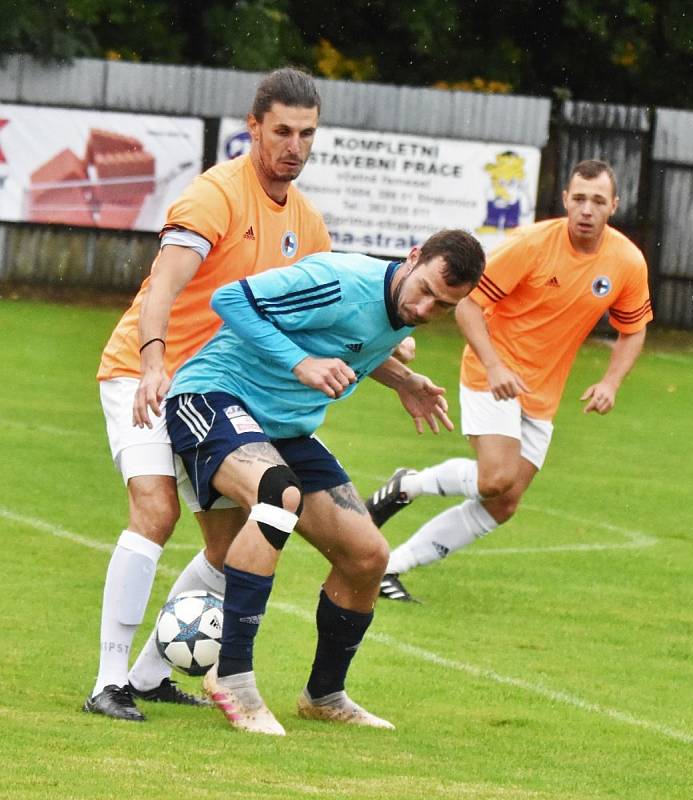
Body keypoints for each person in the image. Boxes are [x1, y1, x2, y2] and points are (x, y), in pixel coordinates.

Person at [84, 67, 333, 722]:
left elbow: (316, 317)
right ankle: (106, 681)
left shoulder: (307, 224)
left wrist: (398, 365)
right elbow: (161, 287)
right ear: (253, 128)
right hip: (141, 374)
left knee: (227, 548)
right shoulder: (213, 196)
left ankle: (146, 676)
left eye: (306, 133)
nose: (294, 146)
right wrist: (152, 363)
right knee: (156, 511)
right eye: (281, 131)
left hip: (211, 396)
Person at [164, 229, 485, 734]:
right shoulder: (338, 279)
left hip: (285, 427)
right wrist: (301, 364)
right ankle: (233, 677)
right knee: (277, 497)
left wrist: (404, 381)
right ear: (413, 256)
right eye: (424, 290)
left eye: (444, 306)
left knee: (368, 556)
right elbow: (229, 299)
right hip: (212, 396)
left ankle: (325, 694)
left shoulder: (403, 313)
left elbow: (352, 341)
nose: (425, 309)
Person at [366, 159, 653, 602]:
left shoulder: (626, 261)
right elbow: (467, 306)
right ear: (565, 200)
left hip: (542, 392)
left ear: (613, 205)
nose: (587, 209)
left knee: (503, 503)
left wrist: (611, 382)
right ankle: (410, 485)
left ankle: (391, 565)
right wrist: (496, 365)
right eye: (579, 198)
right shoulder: (533, 244)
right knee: (494, 478)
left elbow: (633, 328)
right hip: (491, 371)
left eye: (598, 200)